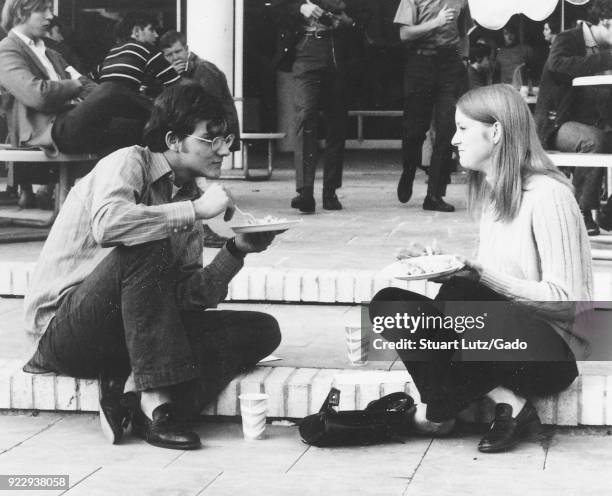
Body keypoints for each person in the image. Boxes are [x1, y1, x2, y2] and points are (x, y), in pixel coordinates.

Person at [22, 83, 282, 450]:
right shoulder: (128, 161)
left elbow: (188, 298)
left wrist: (236, 250)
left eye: (227, 139)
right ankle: (158, 401)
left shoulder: (187, 194)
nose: (225, 149)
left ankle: (132, 398)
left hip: (134, 330)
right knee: (146, 243)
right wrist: (193, 212)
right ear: (174, 139)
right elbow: (110, 225)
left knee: (261, 330)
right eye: (212, 139)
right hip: (67, 331)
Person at [370, 84, 592, 453]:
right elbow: (497, 278)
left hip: (551, 354)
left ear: (497, 132)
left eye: (462, 128)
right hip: (497, 344)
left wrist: (477, 276)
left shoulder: (550, 196)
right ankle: (509, 402)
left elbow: (567, 302)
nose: (453, 139)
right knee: (390, 305)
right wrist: (444, 263)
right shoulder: (494, 194)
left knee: (462, 295)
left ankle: (436, 414)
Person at [0, 0, 152, 208]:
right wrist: (72, 85)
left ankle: (140, 211)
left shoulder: (50, 52)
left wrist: (76, 86)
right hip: (47, 130)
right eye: (42, 10)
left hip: (72, 122)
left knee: (138, 131)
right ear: (20, 13)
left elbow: (89, 86)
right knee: (111, 89)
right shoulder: (7, 50)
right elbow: (37, 95)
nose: (50, 16)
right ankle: (172, 114)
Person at [277, 0, 365, 213]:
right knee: (305, 116)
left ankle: (330, 191)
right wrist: (300, 7)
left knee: (337, 123)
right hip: (307, 47)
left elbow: (363, 15)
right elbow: (276, 6)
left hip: (338, 49)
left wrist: (346, 20)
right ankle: (305, 191)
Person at [535, 0, 612, 236]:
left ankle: (608, 215)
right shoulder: (568, 37)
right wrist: (607, 58)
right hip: (558, 123)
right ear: (606, 22)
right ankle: (581, 210)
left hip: (594, 123)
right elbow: (557, 64)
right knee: (595, 141)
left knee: (599, 137)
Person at [394, 0, 471, 212]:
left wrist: (464, 60)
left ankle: (435, 194)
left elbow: (464, 33)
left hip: (449, 64)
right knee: (414, 131)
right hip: (420, 63)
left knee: (447, 128)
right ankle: (408, 171)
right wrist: (435, 23)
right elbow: (404, 34)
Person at [90, 11, 180, 93]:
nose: (156, 35)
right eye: (152, 30)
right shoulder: (148, 50)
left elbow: (91, 77)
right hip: (126, 105)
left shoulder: (113, 51)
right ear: (136, 31)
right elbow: (176, 85)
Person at [492, 24, 535, 89]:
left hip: (522, 88)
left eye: (511, 32)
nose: (509, 36)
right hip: (506, 88)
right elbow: (495, 73)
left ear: (515, 34)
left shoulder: (525, 49)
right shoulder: (499, 53)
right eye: (506, 34)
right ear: (502, 36)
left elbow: (532, 69)